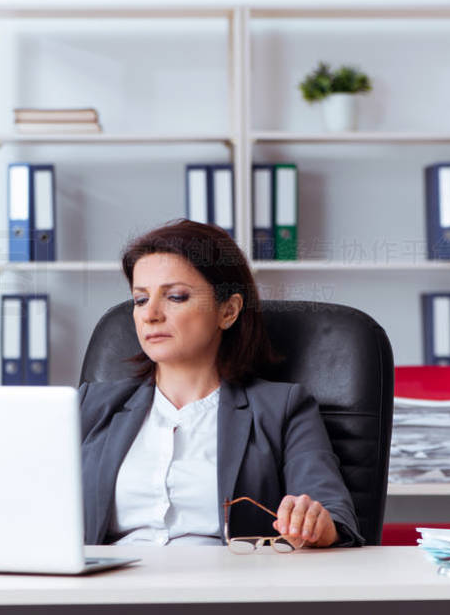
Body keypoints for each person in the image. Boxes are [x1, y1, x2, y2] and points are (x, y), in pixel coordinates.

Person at [79, 220, 362, 548]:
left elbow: (334, 513)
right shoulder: (91, 405)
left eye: (175, 296)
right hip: (106, 591)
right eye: (140, 300)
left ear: (228, 311)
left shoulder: (281, 408)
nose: (150, 314)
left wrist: (316, 524)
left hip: (226, 589)